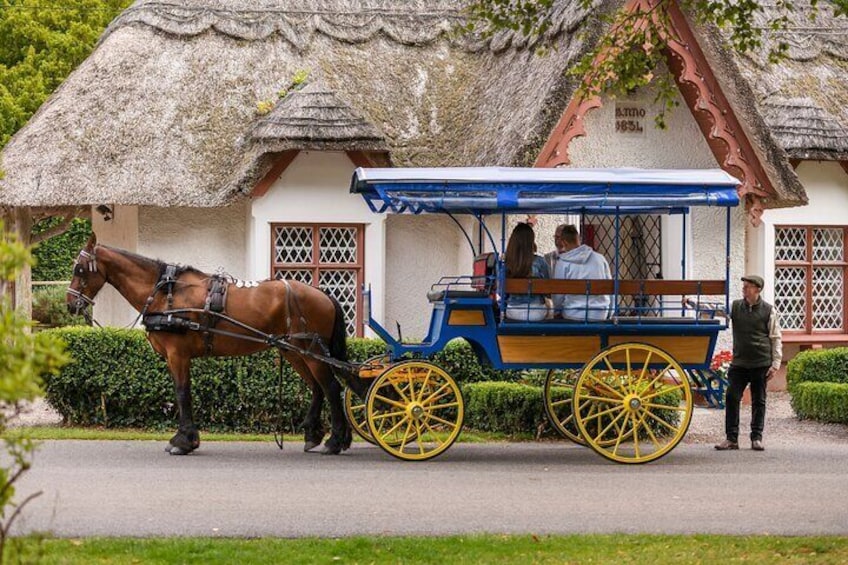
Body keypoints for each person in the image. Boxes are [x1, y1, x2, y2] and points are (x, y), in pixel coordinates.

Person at [715, 275, 783, 452]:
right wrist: (692, 303)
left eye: (747, 287)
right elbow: (716, 310)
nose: (744, 289)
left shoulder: (769, 310)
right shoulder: (736, 307)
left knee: (759, 400)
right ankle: (731, 439)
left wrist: (775, 363)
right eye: (744, 286)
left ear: (757, 289)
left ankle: (756, 438)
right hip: (740, 362)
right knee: (731, 397)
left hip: (761, 362)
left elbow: (776, 338)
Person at [551, 224, 612, 321]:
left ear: (564, 242)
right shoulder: (600, 259)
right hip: (600, 313)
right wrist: (610, 312)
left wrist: (556, 311)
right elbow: (610, 287)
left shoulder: (562, 263)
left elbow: (558, 295)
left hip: (573, 313)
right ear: (578, 238)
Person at [504, 222, 550, 321]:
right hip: (536, 312)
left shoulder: (506, 263)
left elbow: (501, 292)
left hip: (513, 311)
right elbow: (548, 291)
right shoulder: (540, 262)